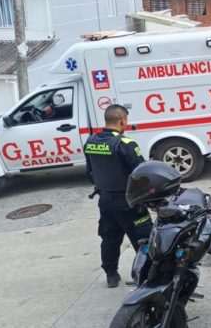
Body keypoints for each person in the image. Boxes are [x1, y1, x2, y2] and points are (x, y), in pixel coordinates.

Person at [84, 104, 152, 288]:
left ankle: (111, 275)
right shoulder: (126, 144)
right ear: (122, 120)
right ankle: (146, 275)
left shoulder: (91, 142)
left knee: (110, 237)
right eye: (126, 121)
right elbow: (141, 174)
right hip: (129, 202)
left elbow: (90, 172)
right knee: (144, 237)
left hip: (105, 199)